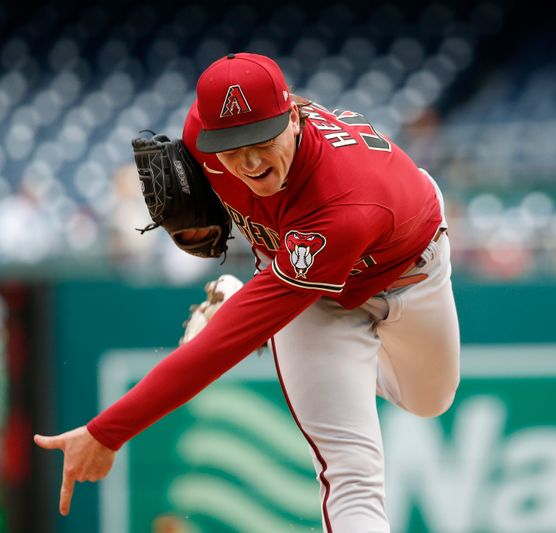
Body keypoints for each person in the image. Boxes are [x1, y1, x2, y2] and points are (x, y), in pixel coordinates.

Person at [34, 52, 460, 532]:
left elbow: (223, 346)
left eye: (261, 138)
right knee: (352, 476)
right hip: (308, 298)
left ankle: (250, 308)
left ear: (294, 118)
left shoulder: (347, 201)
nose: (250, 160)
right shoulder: (201, 136)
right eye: (231, 146)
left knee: (430, 400)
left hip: (409, 270)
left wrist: (108, 431)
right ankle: (273, 321)